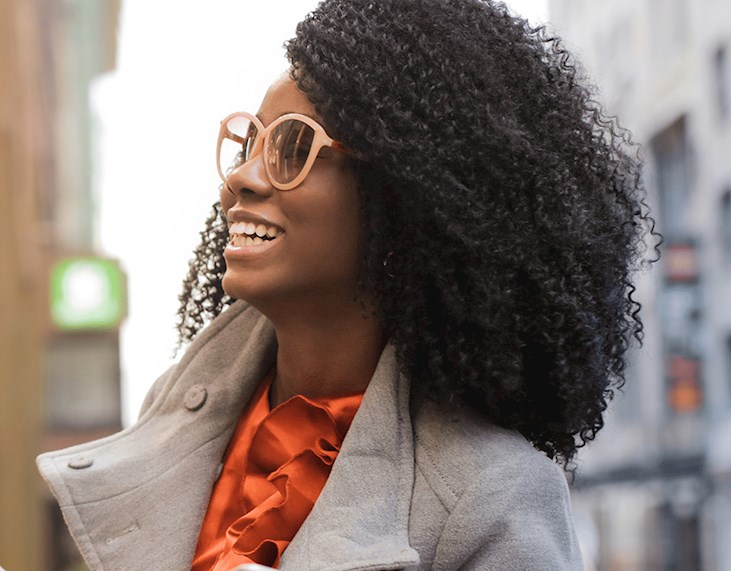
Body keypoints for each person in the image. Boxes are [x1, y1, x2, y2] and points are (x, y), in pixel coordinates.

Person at [38, 0, 657, 569]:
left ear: (408, 197)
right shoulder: (180, 409)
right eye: (251, 141)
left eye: (293, 147)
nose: (243, 179)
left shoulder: (491, 494)